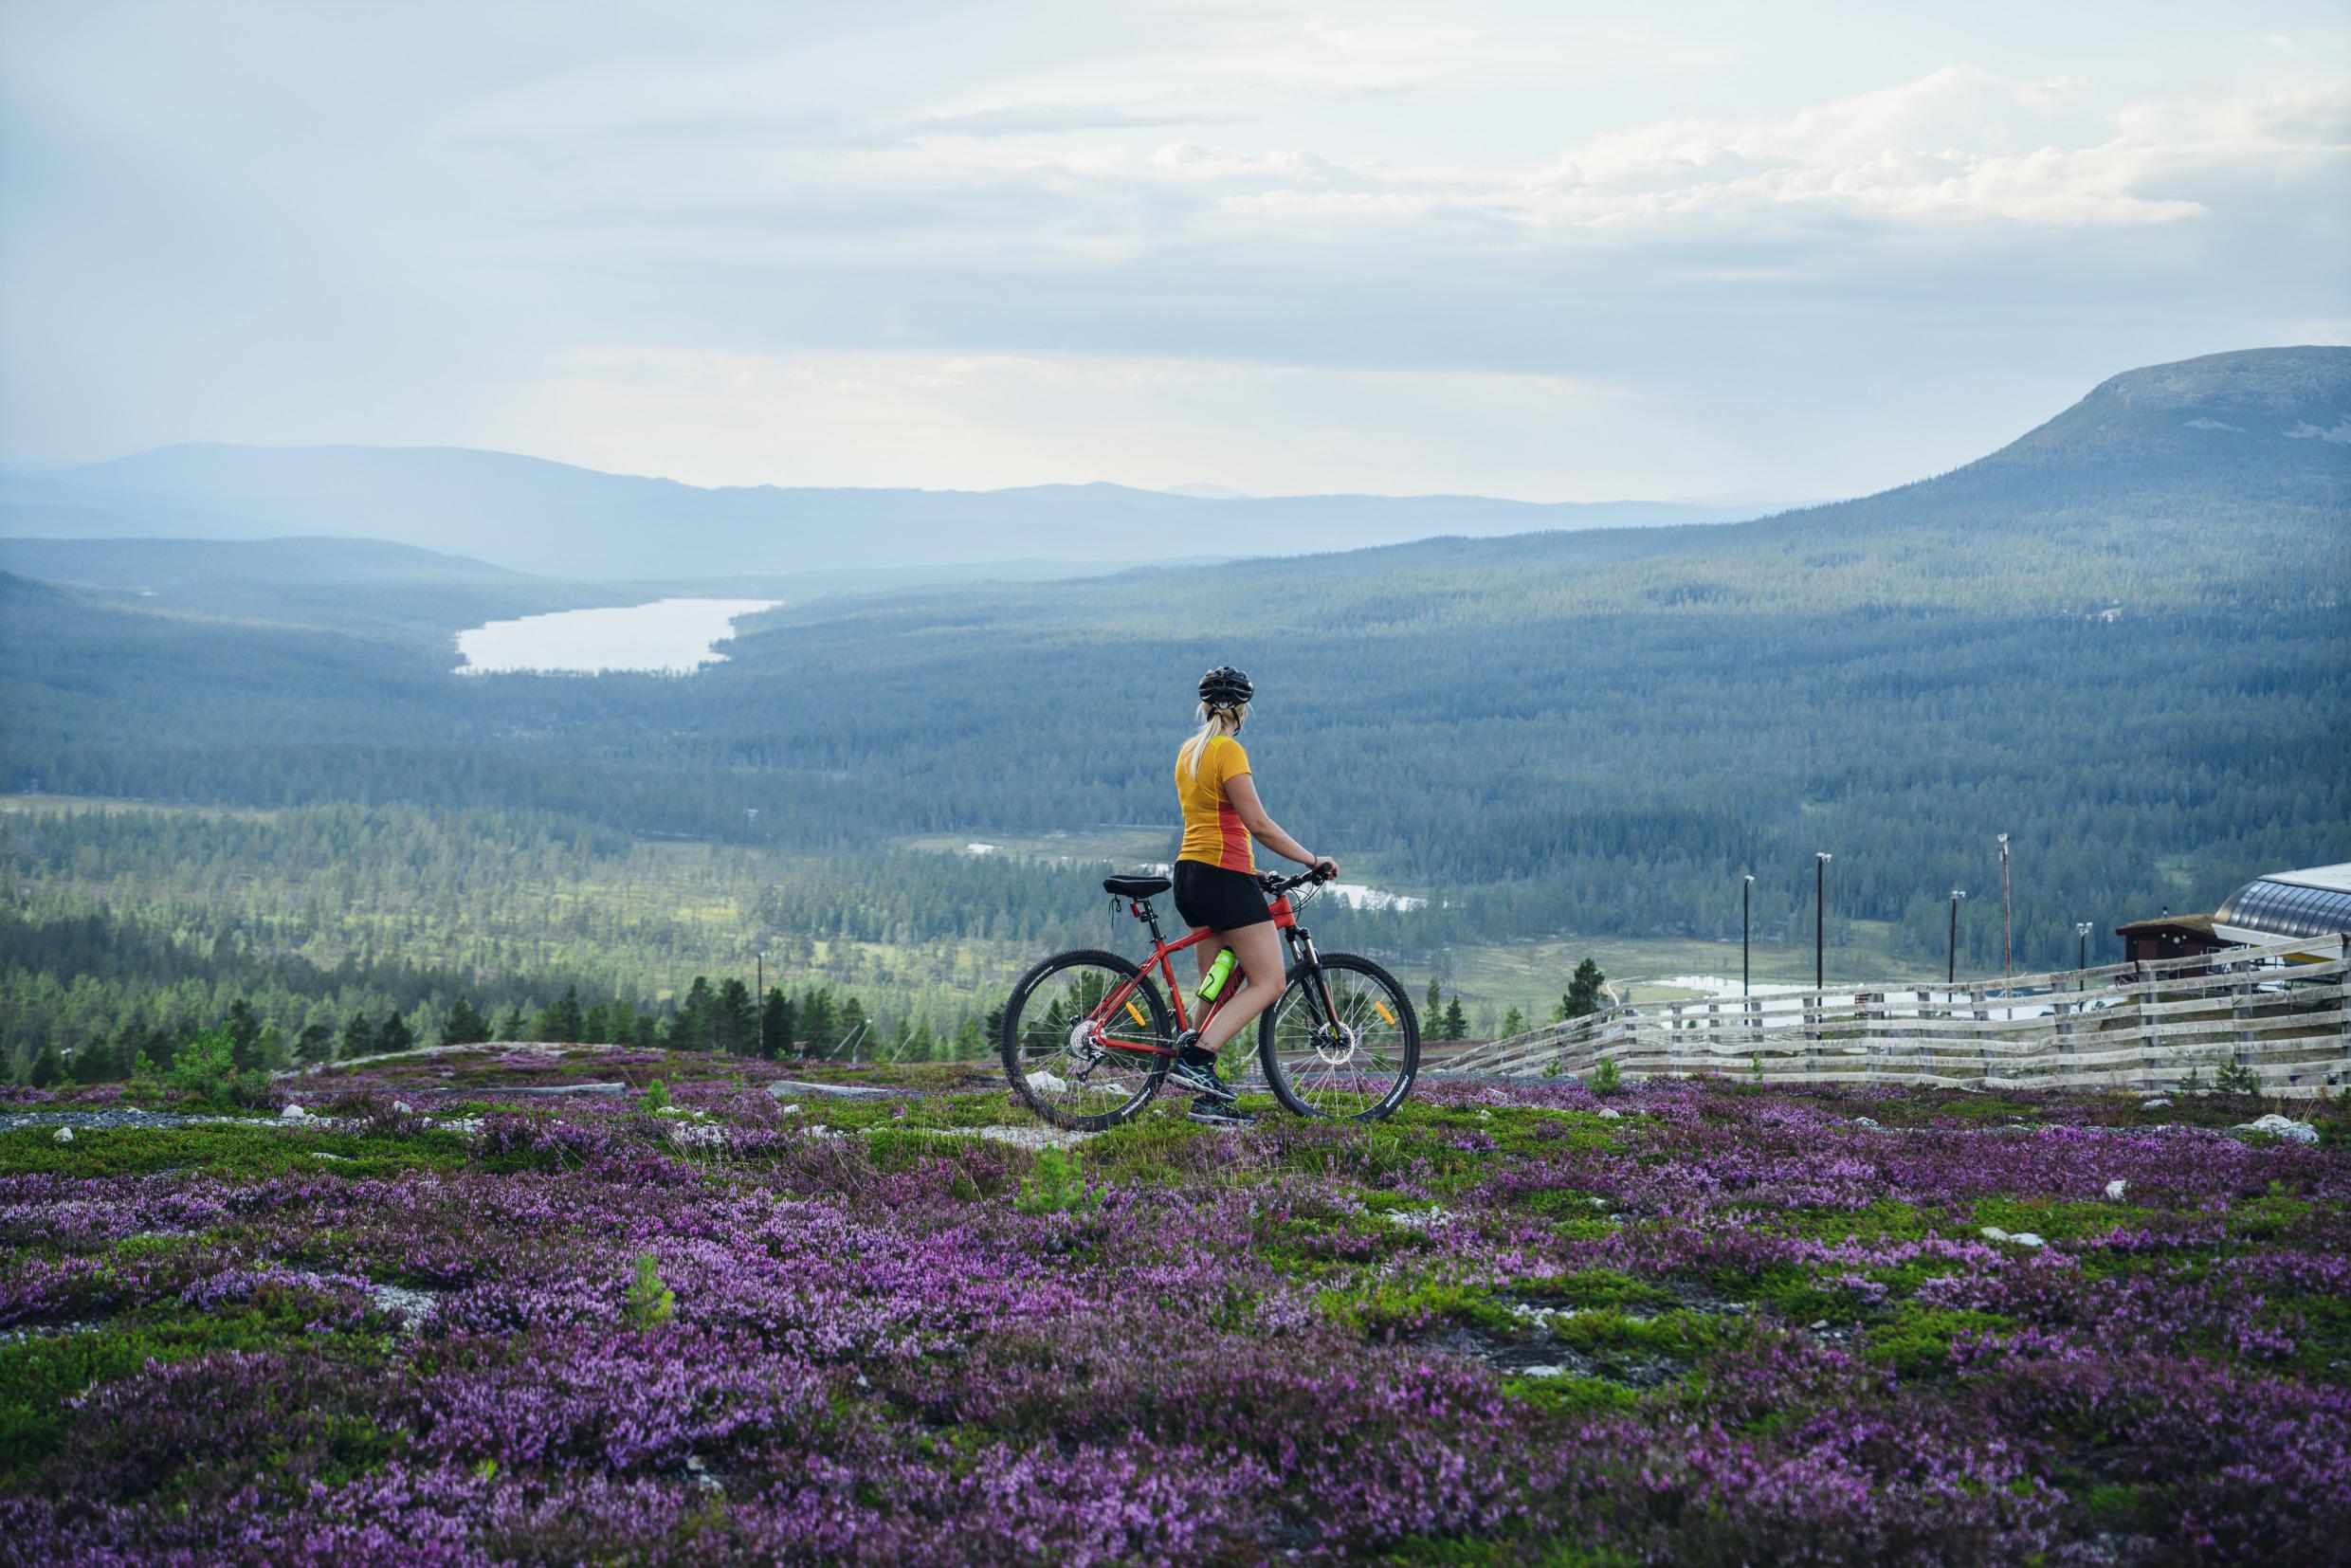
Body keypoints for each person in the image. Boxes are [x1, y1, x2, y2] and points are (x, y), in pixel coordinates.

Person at [1166, 665, 1338, 1126]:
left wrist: (1251, 870)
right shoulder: (1228, 751)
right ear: (1241, 710)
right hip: (1221, 877)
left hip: (1191, 875)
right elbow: (1257, 824)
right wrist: (1311, 859)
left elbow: (1209, 823)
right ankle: (1198, 1060)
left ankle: (1203, 1092)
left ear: (1204, 706)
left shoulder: (1188, 752)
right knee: (1270, 981)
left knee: (1216, 985)